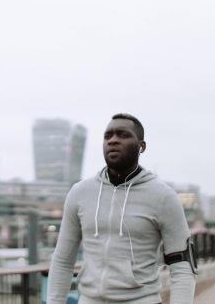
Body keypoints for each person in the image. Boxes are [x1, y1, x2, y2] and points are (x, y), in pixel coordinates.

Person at [47, 113, 196, 304]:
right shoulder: (80, 193)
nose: (113, 140)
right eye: (108, 136)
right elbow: (63, 259)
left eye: (123, 135)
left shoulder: (163, 197)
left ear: (141, 146)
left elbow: (182, 265)